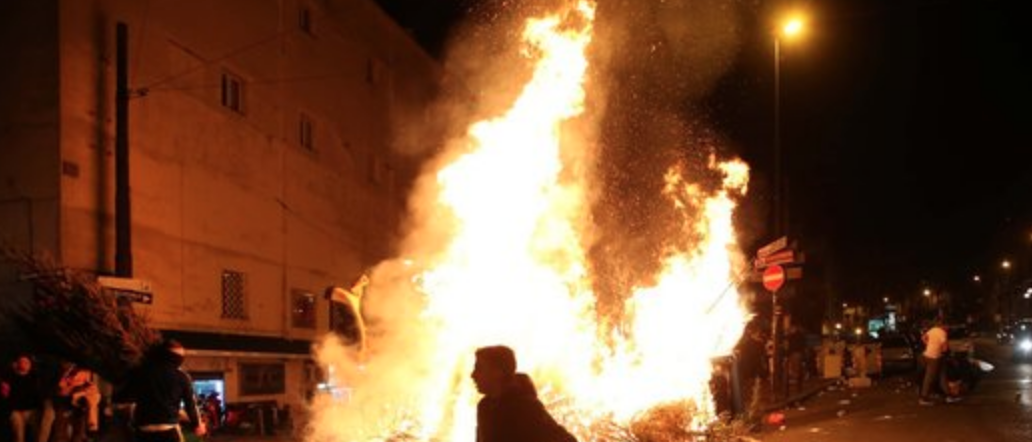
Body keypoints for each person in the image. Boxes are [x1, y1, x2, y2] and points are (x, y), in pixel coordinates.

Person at [470, 345, 577, 442]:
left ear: (498, 372)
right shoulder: (485, 407)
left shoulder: (526, 408)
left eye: (479, 369)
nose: (473, 375)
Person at [123, 340, 206, 442]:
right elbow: (190, 404)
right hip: (168, 430)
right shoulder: (181, 377)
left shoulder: (139, 372)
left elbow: (128, 398)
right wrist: (197, 425)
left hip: (143, 431)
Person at [2, 354, 43, 442]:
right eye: (22, 362)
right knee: (19, 432)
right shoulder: (10, 376)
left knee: (38, 430)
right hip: (15, 410)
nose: (24, 364)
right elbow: (5, 395)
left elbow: (38, 395)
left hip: (31, 410)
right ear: (17, 364)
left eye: (27, 362)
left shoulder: (34, 377)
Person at [919, 318, 948, 405]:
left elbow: (923, 338)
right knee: (929, 377)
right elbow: (945, 347)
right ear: (942, 325)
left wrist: (928, 344)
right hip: (933, 357)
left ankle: (948, 394)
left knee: (941, 374)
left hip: (926, 355)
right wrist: (942, 349)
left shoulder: (931, 330)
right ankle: (923, 398)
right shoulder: (942, 332)